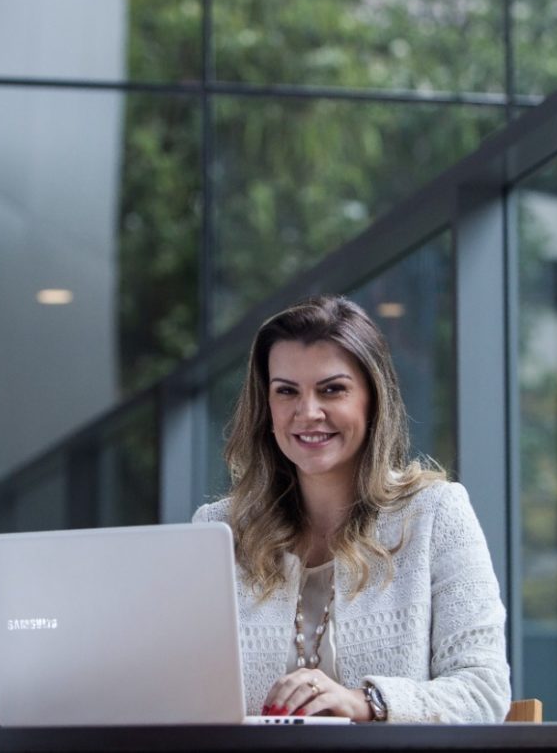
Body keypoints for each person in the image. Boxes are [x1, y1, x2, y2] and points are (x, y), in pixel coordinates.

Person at [194, 294, 510, 723]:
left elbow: (483, 691)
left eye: (332, 389)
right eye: (286, 391)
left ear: (372, 399)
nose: (307, 412)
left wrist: (364, 703)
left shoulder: (437, 515)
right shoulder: (218, 531)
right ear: (266, 406)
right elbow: (186, 692)